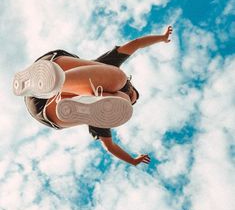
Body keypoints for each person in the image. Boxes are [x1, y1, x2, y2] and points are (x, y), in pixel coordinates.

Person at [13, 25, 173, 166]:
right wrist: (162, 38)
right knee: (118, 78)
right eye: (132, 94)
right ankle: (55, 81)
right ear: (132, 86)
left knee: (113, 105)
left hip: (50, 108)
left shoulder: (104, 112)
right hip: (50, 78)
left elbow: (110, 146)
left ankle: (59, 85)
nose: (130, 98)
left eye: (133, 101)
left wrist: (133, 160)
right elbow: (136, 44)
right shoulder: (109, 65)